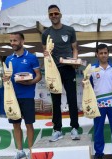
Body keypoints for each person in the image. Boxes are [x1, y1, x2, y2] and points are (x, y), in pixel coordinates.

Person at [42, 4, 80, 142]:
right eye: (51, 14)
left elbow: (75, 48)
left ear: (60, 14)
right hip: (54, 71)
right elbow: (45, 52)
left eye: (56, 13)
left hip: (68, 69)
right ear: (48, 16)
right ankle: (57, 129)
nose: (54, 16)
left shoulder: (70, 30)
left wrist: (75, 60)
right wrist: (46, 54)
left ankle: (74, 128)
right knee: (55, 101)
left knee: (72, 99)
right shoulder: (45, 33)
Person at [3, 32, 42, 159]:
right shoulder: (8, 59)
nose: (13, 43)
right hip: (13, 97)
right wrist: (5, 79)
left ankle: (31, 151)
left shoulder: (31, 57)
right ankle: (20, 151)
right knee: (16, 124)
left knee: (29, 124)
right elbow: (7, 77)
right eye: (11, 40)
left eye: (15, 40)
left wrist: (29, 82)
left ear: (22, 42)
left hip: (27, 96)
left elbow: (38, 76)